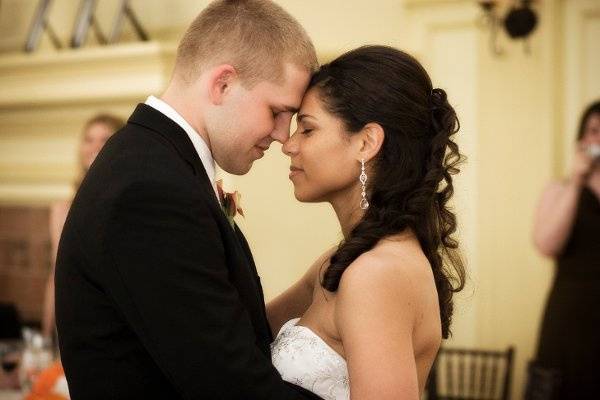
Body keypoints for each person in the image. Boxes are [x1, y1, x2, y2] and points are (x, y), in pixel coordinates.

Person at [55, 0, 321, 399]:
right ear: (223, 84)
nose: (284, 136)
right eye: (277, 111)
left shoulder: (156, 163)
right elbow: (230, 386)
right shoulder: (150, 191)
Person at [268, 45, 466, 400]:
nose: (288, 144)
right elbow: (247, 329)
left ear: (366, 142)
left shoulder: (375, 274)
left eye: (307, 129)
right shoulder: (340, 261)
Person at [530, 100, 600, 398]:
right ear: (581, 139)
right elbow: (546, 244)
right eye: (594, 131)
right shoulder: (559, 189)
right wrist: (576, 180)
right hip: (569, 318)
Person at [42, 114, 124, 339]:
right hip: (71, 326)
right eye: (89, 139)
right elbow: (56, 275)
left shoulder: (126, 204)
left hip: (109, 328)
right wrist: (47, 334)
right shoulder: (61, 209)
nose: (95, 146)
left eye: (105, 138)